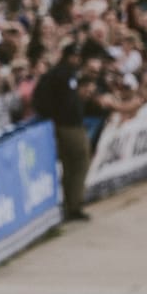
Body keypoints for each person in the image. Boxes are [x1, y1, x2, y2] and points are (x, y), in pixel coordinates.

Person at [32, 43, 96, 221]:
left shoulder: (66, 74)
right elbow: (52, 100)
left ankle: (72, 203)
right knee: (79, 162)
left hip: (69, 123)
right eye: (73, 56)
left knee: (72, 165)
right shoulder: (63, 74)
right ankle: (74, 205)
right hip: (68, 125)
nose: (76, 60)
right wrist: (56, 116)